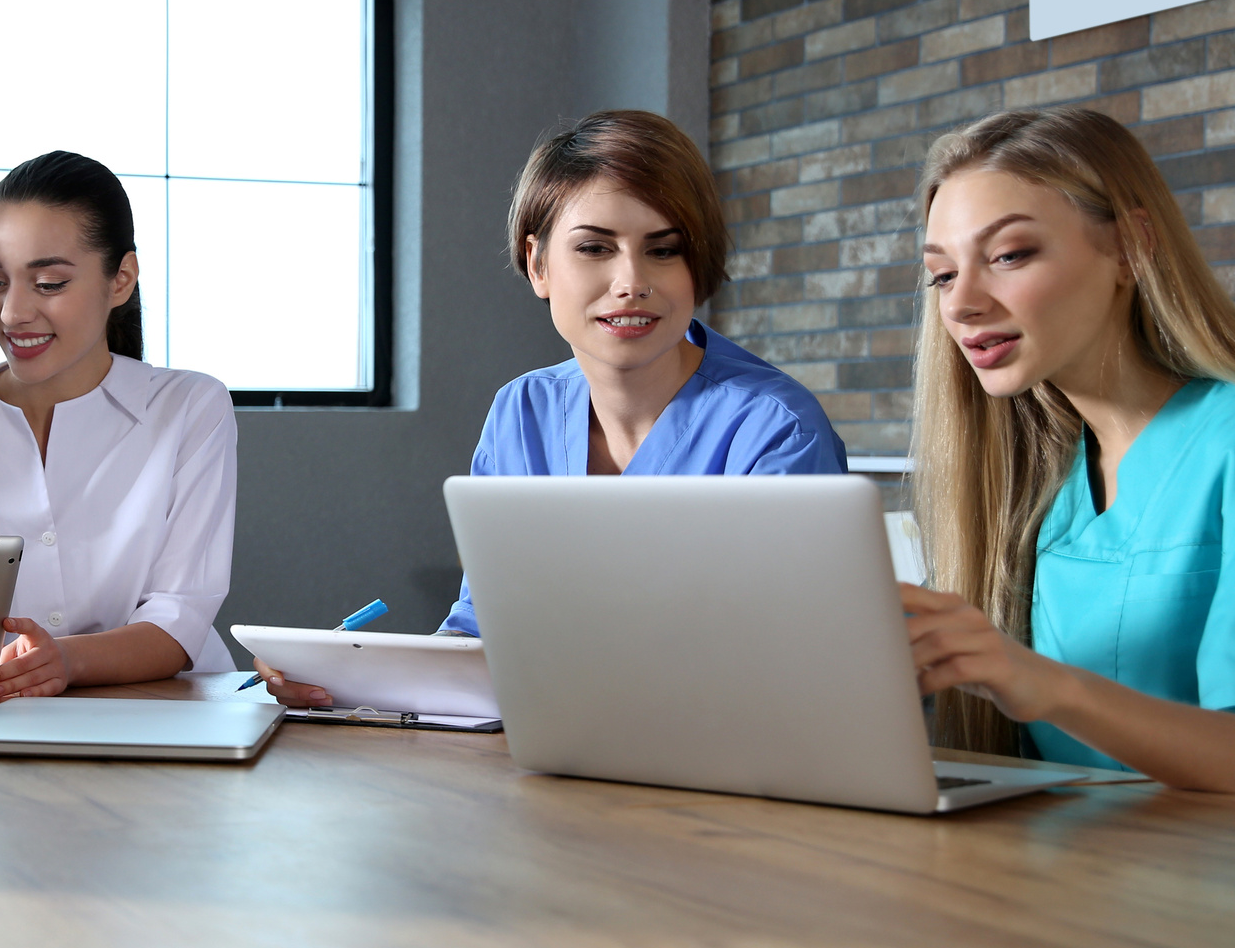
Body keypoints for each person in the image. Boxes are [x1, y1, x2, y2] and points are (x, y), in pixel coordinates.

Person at [260, 109, 848, 705]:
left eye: (664, 250)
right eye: (595, 247)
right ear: (538, 263)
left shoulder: (777, 431)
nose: (630, 281)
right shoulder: (522, 410)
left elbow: (784, 668)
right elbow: (483, 629)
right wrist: (351, 685)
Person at [907, 107, 1235, 803]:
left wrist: (1043, 684)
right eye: (943, 275)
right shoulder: (1042, 479)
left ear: (1130, 247)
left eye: (1008, 256)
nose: (963, 304)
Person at [0, 151, 237, 698]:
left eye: (49, 284)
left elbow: (179, 618)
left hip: (170, 714)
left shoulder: (191, 408)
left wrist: (64, 660)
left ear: (121, 280)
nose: (12, 313)